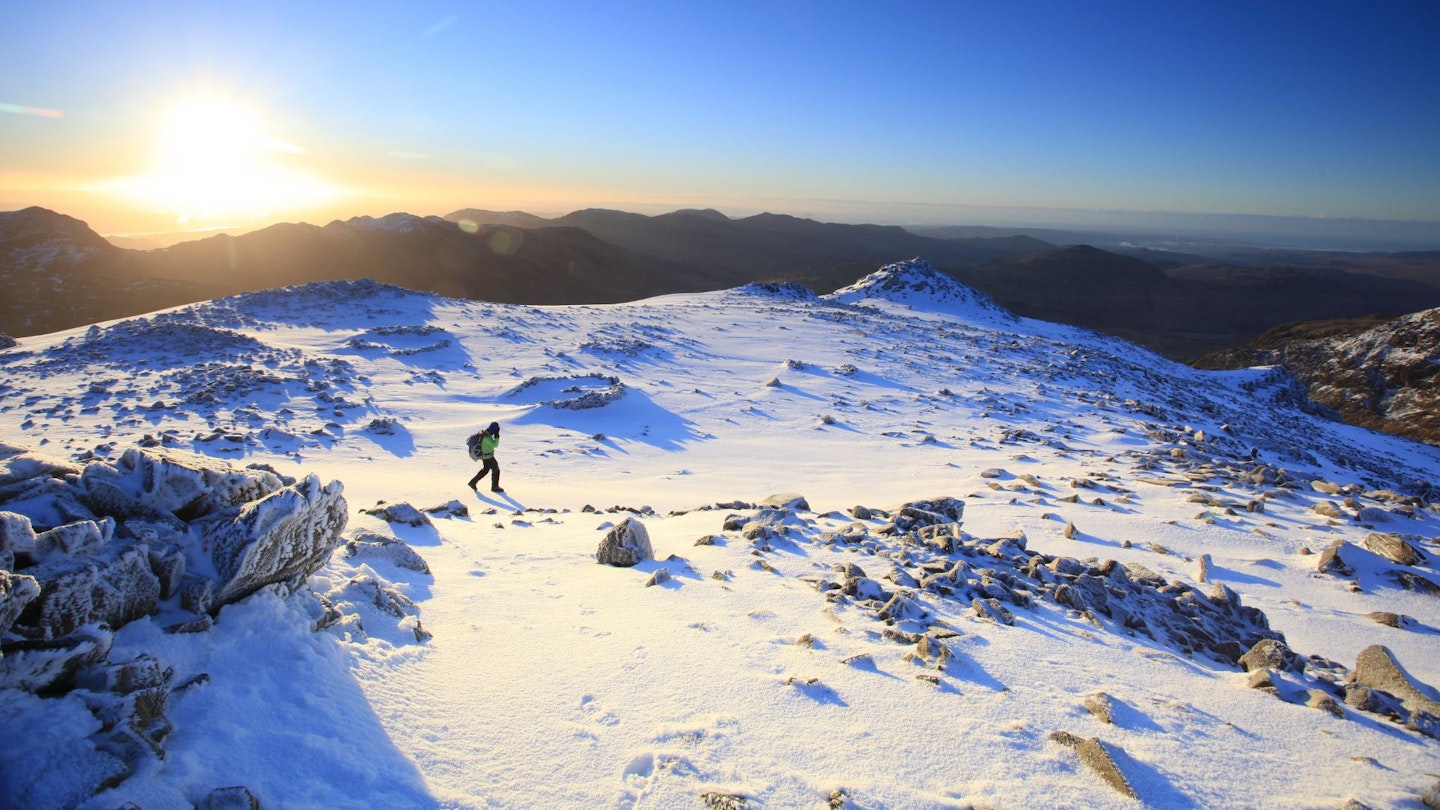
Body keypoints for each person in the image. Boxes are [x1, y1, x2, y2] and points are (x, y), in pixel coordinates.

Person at [467, 421, 503, 493]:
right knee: (496, 470)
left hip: (486, 456)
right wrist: (497, 436)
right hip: (488, 456)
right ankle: (494, 487)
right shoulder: (487, 437)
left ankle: (473, 482)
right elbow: (495, 445)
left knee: (485, 470)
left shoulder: (486, 433)